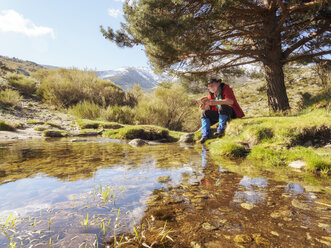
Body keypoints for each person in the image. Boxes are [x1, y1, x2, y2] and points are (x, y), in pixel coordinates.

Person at [197, 78, 244, 144]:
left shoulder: (226, 88)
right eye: (209, 86)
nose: (211, 87)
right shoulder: (211, 94)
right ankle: (205, 135)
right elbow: (210, 107)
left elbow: (230, 101)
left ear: (218, 83)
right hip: (220, 114)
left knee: (222, 106)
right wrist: (204, 107)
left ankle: (221, 130)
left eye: (212, 85)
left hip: (232, 113)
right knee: (204, 113)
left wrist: (215, 102)